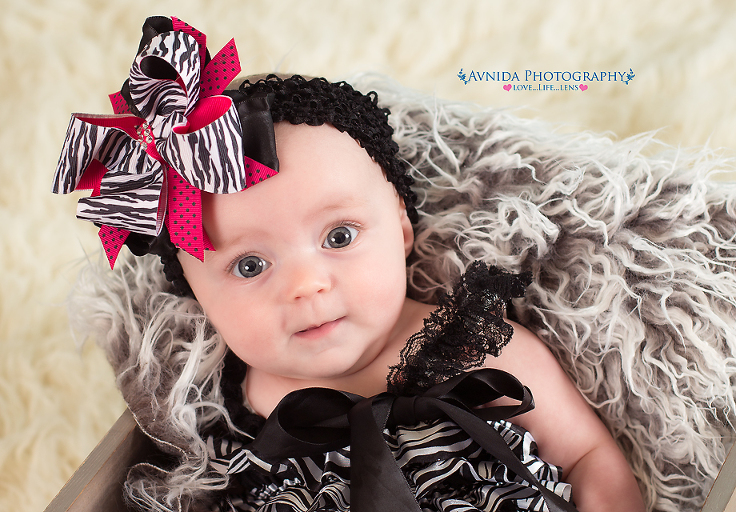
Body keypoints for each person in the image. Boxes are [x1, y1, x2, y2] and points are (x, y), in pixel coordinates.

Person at [54, 16, 645, 512]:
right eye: (251, 266)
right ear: (199, 297)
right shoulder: (225, 408)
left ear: (402, 230)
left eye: (339, 235)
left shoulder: (480, 346)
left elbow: (591, 458)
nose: (307, 284)